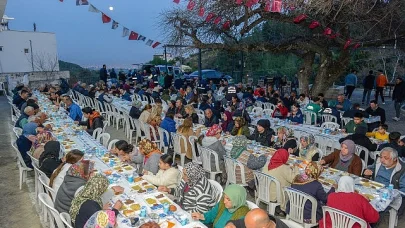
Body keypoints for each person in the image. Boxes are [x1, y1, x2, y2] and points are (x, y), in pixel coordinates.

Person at [364, 147, 405, 215]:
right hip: (374, 188)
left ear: (394, 159)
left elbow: (403, 190)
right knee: (358, 198)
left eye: (386, 158)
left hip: (389, 194)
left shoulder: (402, 169)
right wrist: (367, 170)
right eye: (381, 157)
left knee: (369, 207)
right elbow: (371, 168)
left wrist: (392, 194)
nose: (382, 160)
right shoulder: (378, 161)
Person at [263, 148, 299, 215]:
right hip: (277, 195)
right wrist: (296, 168)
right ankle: (284, 208)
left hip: (265, 192)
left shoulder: (267, 164)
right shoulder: (284, 168)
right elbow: (294, 179)